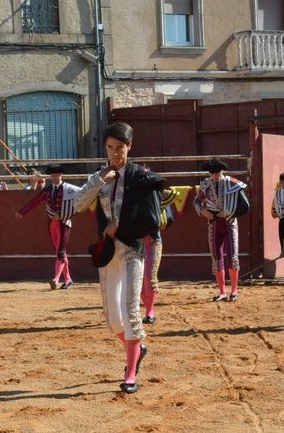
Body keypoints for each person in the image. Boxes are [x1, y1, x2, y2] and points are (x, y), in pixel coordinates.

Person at [67, 122, 166, 394]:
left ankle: (130, 373)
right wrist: (100, 180)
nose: (115, 153)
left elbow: (152, 221)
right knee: (112, 318)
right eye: (110, 148)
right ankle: (137, 349)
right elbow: (78, 205)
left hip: (132, 250)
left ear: (129, 147)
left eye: (120, 147)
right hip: (109, 252)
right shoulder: (100, 176)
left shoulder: (141, 177)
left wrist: (119, 228)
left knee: (130, 309)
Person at [15, 164, 79, 290]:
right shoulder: (48, 190)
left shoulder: (69, 189)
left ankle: (56, 279)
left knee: (60, 251)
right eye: (52, 175)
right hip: (52, 223)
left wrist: (61, 215)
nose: (54, 177)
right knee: (60, 251)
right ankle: (68, 279)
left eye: (57, 175)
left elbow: (78, 202)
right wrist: (22, 212)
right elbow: (35, 201)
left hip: (64, 223)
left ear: (61, 175)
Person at [194, 158, 248, 301]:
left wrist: (230, 212)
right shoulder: (206, 184)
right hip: (214, 224)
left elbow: (245, 206)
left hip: (229, 223)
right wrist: (203, 211)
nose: (214, 176)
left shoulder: (232, 182)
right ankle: (222, 292)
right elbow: (197, 201)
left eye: (217, 173)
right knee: (216, 257)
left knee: (232, 257)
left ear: (222, 171)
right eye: (212, 173)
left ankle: (234, 291)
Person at [141, 186, 183, 323]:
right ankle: (148, 309)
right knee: (139, 281)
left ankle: (150, 312)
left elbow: (171, 194)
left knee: (150, 276)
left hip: (153, 241)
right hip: (135, 244)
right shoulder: (130, 195)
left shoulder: (155, 194)